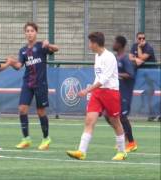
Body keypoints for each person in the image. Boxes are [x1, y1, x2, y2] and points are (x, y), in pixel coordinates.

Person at [66, 32, 127, 161]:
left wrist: (87, 90)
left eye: (90, 43)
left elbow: (104, 79)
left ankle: (122, 152)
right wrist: (91, 90)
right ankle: (81, 152)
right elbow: (98, 78)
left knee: (115, 122)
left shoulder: (109, 57)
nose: (89, 45)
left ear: (95, 43)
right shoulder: (97, 56)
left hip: (111, 92)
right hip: (98, 93)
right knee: (89, 120)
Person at [9, 22, 59, 150]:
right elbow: (19, 66)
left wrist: (49, 45)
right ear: (25, 33)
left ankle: (46, 139)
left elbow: (56, 49)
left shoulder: (41, 46)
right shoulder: (23, 50)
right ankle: (26, 139)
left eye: (32, 31)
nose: (29, 33)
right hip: (28, 83)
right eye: (27, 31)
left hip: (40, 83)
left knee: (40, 111)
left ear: (36, 32)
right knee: (22, 109)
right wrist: (11, 62)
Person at [112, 35, 137, 153]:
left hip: (125, 93)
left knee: (122, 117)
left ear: (120, 45)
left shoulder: (125, 59)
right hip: (118, 92)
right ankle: (124, 139)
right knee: (115, 117)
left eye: (115, 42)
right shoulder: (116, 58)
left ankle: (131, 143)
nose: (113, 44)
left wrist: (117, 75)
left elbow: (130, 74)